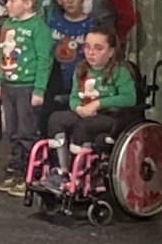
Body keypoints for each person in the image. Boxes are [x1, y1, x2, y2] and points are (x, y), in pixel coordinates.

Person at [44, 27, 136, 190]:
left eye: (98, 48)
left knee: (84, 126)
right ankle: (63, 170)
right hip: (84, 112)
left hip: (110, 116)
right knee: (56, 118)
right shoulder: (81, 69)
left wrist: (99, 103)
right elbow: (74, 96)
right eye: (87, 47)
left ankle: (79, 175)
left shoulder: (120, 71)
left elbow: (129, 98)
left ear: (111, 52)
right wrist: (78, 107)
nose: (91, 52)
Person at [0, 0, 53, 197]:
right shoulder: (8, 24)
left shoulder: (39, 28)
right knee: (12, 130)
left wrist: (39, 89)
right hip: (9, 85)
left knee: (27, 131)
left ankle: (30, 174)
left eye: (12, 1)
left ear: (27, 4)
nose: (7, 5)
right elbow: (2, 53)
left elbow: (44, 60)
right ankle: (16, 171)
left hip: (27, 86)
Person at [41, 0, 95, 135]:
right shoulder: (53, 23)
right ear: (58, 0)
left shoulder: (91, 25)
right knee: (52, 115)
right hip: (56, 78)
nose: (70, 1)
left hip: (81, 78)